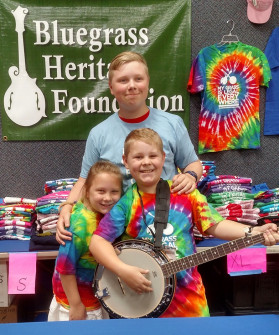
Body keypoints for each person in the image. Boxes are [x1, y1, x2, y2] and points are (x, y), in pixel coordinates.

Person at [90, 128, 279, 318]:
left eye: (152, 156)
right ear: (126, 162)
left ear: (164, 158)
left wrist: (255, 231)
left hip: (189, 300)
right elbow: (97, 242)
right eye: (138, 157)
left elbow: (215, 225)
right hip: (142, 301)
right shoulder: (126, 203)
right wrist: (123, 271)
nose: (146, 162)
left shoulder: (184, 193)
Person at [56, 51, 203, 245]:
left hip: (166, 231)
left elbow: (193, 164)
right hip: (115, 234)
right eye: (123, 80)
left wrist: (190, 176)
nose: (132, 86)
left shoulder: (172, 123)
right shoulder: (99, 133)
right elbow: (85, 180)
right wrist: (66, 207)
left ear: (148, 82)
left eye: (138, 79)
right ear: (111, 87)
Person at [48, 161, 122, 321]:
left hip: (94, 297)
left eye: (114, 191)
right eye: (101, 191)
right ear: (87, 192)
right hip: (77, 304)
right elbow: (65, 267)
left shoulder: (102, 214)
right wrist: (76, 305)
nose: (108, 198)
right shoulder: (80, 224)